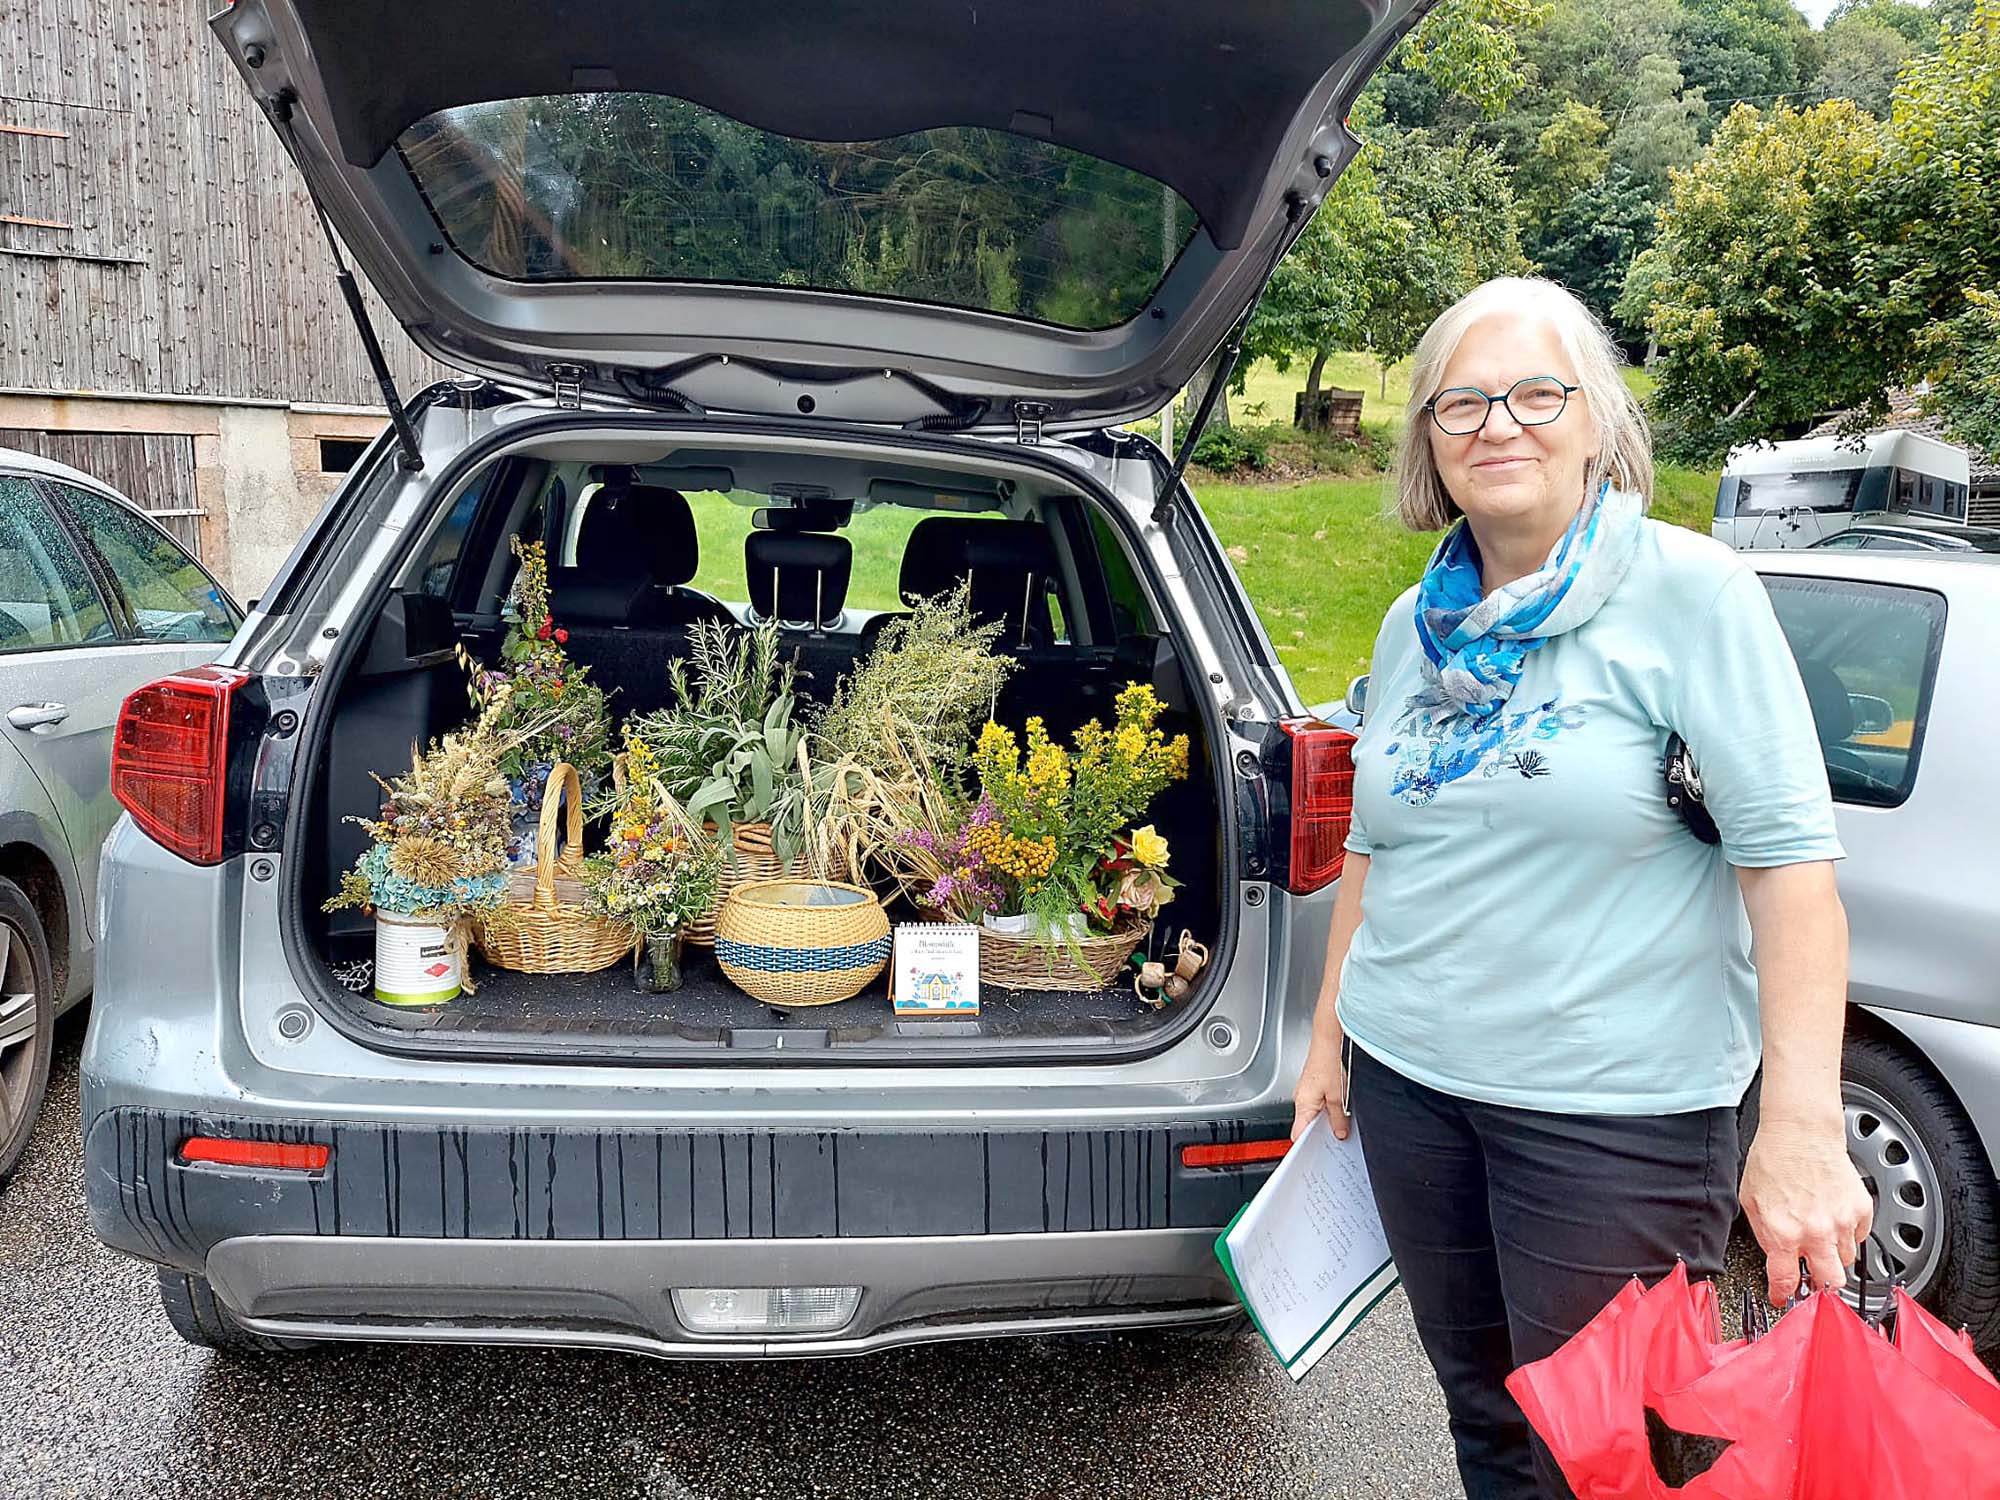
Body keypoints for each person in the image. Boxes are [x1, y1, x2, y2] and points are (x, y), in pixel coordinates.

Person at [1288, 277, 1873, 1500]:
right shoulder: (1412, 626)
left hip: (1609, 1121)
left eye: (1533, 394)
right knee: (1485, 1416)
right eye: (1459, 404)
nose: (1496, 425)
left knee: (1618, 1456)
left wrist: (1803, 1126)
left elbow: (1789, 876)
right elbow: (1377, 848)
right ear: (1427, 445)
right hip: (1409, 1088)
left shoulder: (1691, 595)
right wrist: (1329, 1033)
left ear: (1597, 421)